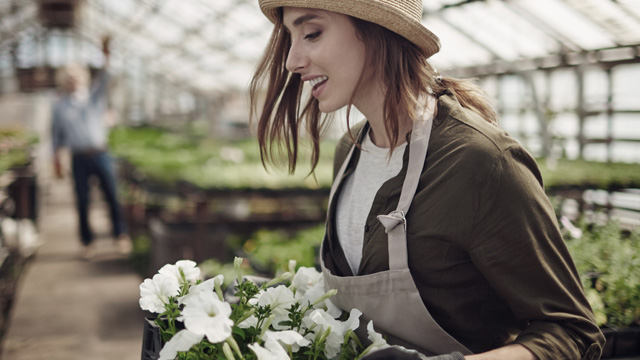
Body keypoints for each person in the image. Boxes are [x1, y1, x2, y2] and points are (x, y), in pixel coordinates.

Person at [249, 1, 605, 359]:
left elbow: (572, 332)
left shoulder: (480, 162)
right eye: (290, 38)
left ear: (376, 29)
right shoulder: (350, 151)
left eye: (311, 33)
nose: (292, 61)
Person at [51, 36, 132, 260]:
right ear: (63, 80)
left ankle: (120, 235)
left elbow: (106, 78)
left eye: (75, 76)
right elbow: (56, 135)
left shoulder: (94, 98)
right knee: (82, 201)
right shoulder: (59, 106)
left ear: (83, 77)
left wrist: (105, 56)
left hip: (101, 154)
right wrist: (56, 159)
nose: (72, 80)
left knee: (112, 195)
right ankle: (87, 242)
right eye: (68, 77)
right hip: (79, 158)